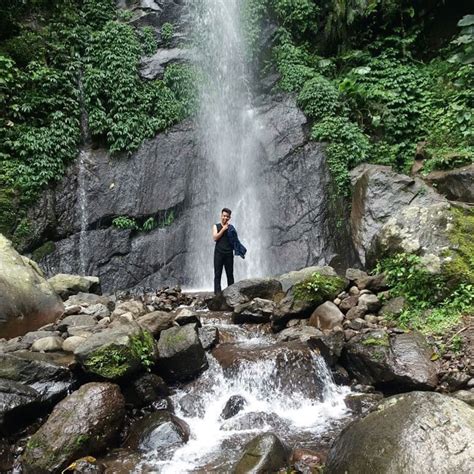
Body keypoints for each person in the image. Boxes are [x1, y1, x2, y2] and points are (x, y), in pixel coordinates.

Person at [212, 208, 246, 295]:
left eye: (227, 216)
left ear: (229, 217)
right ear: (221, 216)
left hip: (229, 254)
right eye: (224, 216)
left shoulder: (231, 228)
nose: (225, 218)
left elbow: (235, 241)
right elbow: (215, 237)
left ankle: (232, 294)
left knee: (230, 274)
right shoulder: (216, 226)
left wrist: (239, 250)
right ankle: (217, 295)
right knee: (217, 274)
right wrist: (223, 229)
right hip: (218, 253)